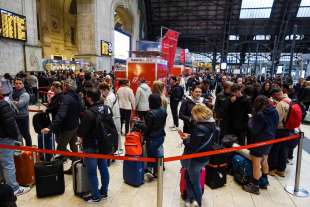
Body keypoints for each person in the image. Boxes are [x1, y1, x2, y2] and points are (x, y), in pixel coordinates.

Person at [78, 89, 112, 203]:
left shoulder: (88, 113)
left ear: (89, 98)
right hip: (104, 144)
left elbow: (82, 132)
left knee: (92, 172)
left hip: (91, 145)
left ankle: (96, 196)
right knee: (103, 168)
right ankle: (104, 191)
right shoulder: (106, 108)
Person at [41, 79, 83, 174]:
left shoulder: (66, 98)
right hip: (75, 126)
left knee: (60, 148)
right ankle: (75, 168)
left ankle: (76, 159)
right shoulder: (77, 96)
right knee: (73, 147)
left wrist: (50, 127)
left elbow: (61, 114)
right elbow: (81, 110)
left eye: (63, 85)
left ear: (66, 87)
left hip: (67, 128)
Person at [180, 104, 217, 207]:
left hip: (195, 159)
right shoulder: (212, 124)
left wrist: (185, 140)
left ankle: (197, 203)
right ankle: (191, 200)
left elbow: (192, 146)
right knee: (188, 178)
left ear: (198, 114)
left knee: (194, 182)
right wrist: (191, 137)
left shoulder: (199, 127)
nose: (193, 117)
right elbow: (204, 140)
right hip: (205, 157)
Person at [243, 95, 279, 195]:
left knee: (256, 163)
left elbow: (254, 129)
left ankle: (255, 186)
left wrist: (250, 120)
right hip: (270, 139)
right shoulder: (274, 110)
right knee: (265, 160)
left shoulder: (260, 114)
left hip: (259, 140)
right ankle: (264, 181)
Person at [0, 86, 31, 196]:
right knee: (8, 163)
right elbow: (10, 123)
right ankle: (14, 188)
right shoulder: (2, 104)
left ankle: (4, 185)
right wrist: (15, 137)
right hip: (5, 137)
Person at [268, 88, 291, 177]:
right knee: (284, 149)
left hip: (280, 129)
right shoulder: (289, 100)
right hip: (287, 129)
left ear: (276, 95)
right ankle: (281, 169)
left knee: (275, 149)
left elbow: (277, 119)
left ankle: (272, 169)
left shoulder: (281, 104)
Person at [144, 94, 167, 178]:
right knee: (159, 152)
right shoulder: (163, 110)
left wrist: (144, 136)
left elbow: (148, 127)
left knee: (151, 154)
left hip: (152, 137)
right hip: (161, 134)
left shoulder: (150, 113)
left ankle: (152, 170)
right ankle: (160, 168)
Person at [99, 82, 123, 154]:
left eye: (102, 91)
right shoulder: (113, 94)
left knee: (113, 134)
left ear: (105, 90)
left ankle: (115, 149)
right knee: (118, 133)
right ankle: (120, 148)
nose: (102, 94)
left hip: (113, 118)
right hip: (117, 117)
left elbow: (107, 111)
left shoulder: (108, 98)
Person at [12, 78, 32, 146]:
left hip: (23, 117)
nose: (18, 85)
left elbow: (19, 105)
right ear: (14, 84)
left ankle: (29, 149)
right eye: (16, 83)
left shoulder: (25, 94)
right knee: (17, 135)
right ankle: (20, 150)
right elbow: (8, 102)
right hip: (14, 117)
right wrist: (14, 102)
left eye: (20, 83)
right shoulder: (12, 93)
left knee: (26, 134)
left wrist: (12, 102)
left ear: (23, 84)